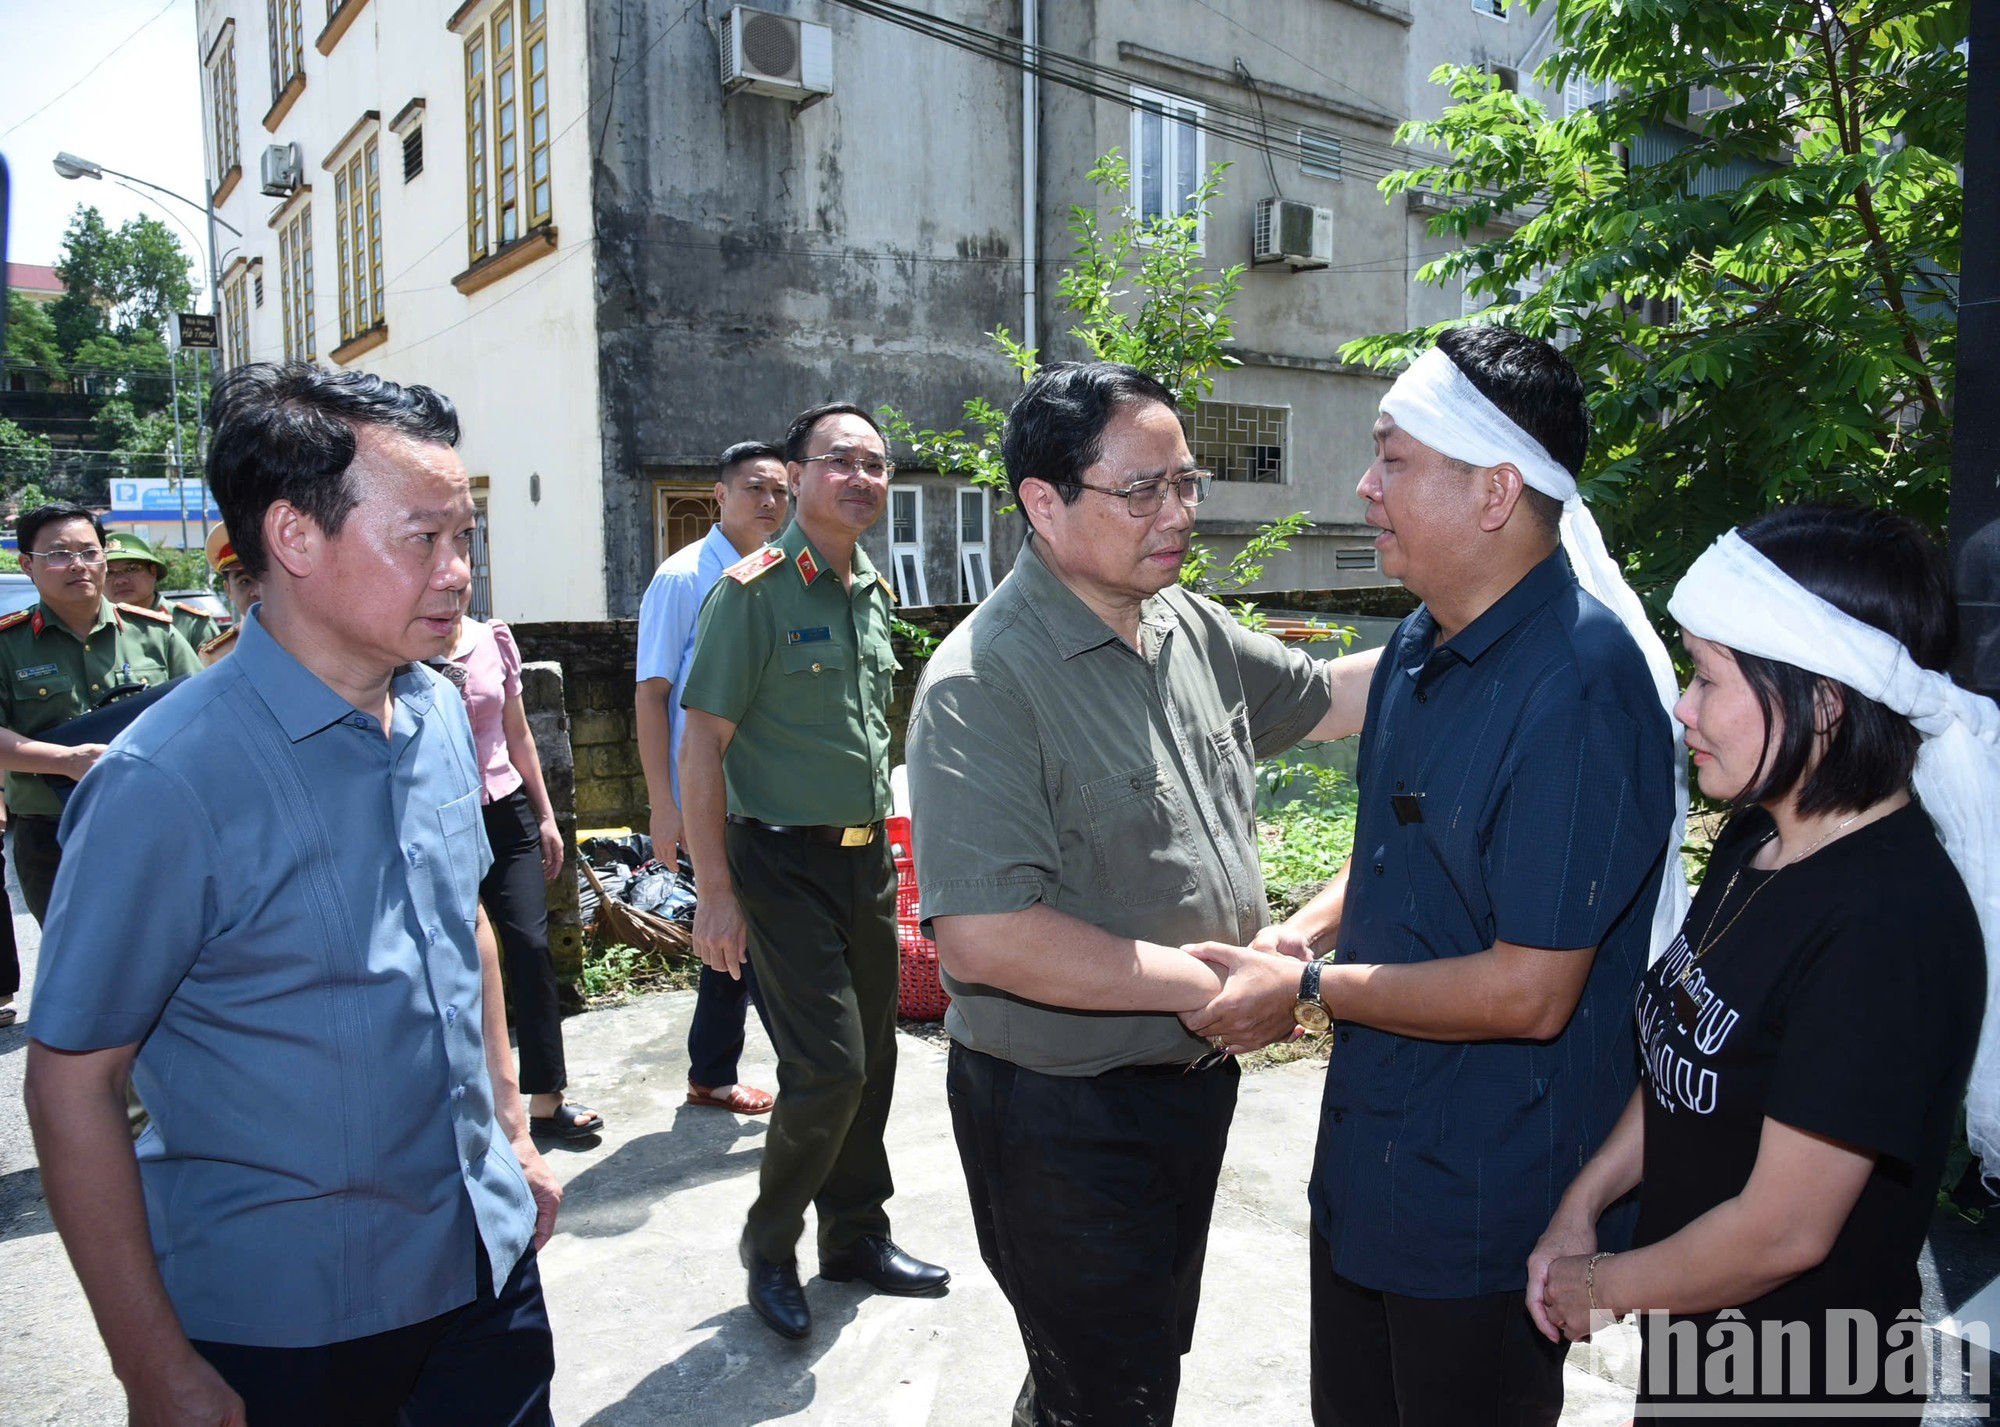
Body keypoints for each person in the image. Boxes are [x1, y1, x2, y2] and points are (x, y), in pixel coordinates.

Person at [22, 362, 562, 1427]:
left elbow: (465, 932)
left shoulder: (441, 714)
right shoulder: (165, 783)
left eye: (467, 536)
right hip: (289, 1323)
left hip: (483, 1267)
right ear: (295, 537)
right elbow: (73, 1082)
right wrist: (152, 1367)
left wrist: (511, 1128)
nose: (458, 572)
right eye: (424, 537)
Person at [1180, 326, 1687, 1427]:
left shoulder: (1578, 695)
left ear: (1495, 491)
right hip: (1374, 1160)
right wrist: (1302, 934)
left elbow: (1526, 988)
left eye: (1393, 461)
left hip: (1483, 1203)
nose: (1362, 488)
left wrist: (1307, 993)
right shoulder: (1423, 645)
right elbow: (1404, 845)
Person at [904, 361, 1382, 1427]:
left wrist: (1472, 644)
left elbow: (1325, 697)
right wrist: (1225, 982)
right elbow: (983, 938)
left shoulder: (1179, 624)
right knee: (1104, 1383)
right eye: (1141, 490)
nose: (1177, 515)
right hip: (1061, 1111)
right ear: (1043, 501)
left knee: (1132, 1355)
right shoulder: (983, 683)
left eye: (1186, 483)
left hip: (1183, 1079)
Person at [1528, 505, 1995, 1420]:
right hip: (1702, 1353)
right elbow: (1688, 1057)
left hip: (1804, 1381)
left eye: (1707, 677)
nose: (1683, 706)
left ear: (1823, 697)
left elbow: (1782, 1231)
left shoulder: (1888, 922)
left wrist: (1604, 1284)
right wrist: (1584, 1199)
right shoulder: (1758, 835)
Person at [680, 401, 948, 1341]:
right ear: (797, 475)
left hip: (867, 857)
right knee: (827, 1065)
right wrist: (715, 890)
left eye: (878, 464)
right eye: (842, 461)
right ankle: (770, 1242)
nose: (864, 478)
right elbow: (701, 743)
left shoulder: (870, 591)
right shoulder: (752, 592)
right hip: (778, 858)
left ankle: (855, 1237)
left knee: (874, 1061)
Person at [636, 440, 787, 1117]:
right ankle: (803, 1070)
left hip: (770, 788)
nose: (769, 502)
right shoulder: (684, 576)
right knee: (749, 931)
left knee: (735, 931)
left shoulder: (782, 570)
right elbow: (650, 693)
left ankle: (711, 1071)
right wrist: (662, 803)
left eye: (781, 491)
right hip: (710, 792)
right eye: (755, 488)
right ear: (719, 496)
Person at [438, 612, 605, 1139]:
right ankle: (464, 1105)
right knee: (451, 960)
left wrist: (547, 816)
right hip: (438, 817)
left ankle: (547, 1099)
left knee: (531, 946)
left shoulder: (491, 639)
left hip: (506, 812)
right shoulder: (399, 644)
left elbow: (518, 732)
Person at [0, 503, 202, 922]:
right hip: (52, 832)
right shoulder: (7, 645)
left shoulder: (157, 635)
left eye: (90, 552)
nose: (79, 565)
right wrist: (65, 761)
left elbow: (209, 717)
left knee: (166, 951)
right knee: (74, 966)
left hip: (152, 824)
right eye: (59, 554)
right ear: (27, 565)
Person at [104, 529, 222, 651]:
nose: (120, 580)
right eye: (108, 573)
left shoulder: (192, 624)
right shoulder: (95, 629)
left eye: (131, 569)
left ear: (153, 571)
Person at [197, 522, 261, 665]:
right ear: (228, 589)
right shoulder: (217, 655)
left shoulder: (313, 642)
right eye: (245, 581)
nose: (258, 591)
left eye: (265, 578)